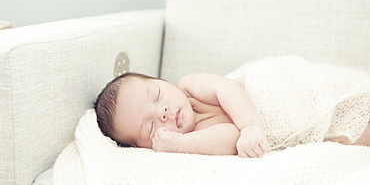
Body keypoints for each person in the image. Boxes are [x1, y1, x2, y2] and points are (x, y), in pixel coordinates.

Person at [94, 59, 370, 158]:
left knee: (350, 93)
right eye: (151, 126)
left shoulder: (190, 86)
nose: (162, 113)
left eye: (156, 95)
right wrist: (180, 144)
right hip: (301, 126)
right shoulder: (195, 138)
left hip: (288, 91)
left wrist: (250, 126)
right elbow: (230, 138)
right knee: (354, 135)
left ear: (163, 81)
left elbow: (227, 89)